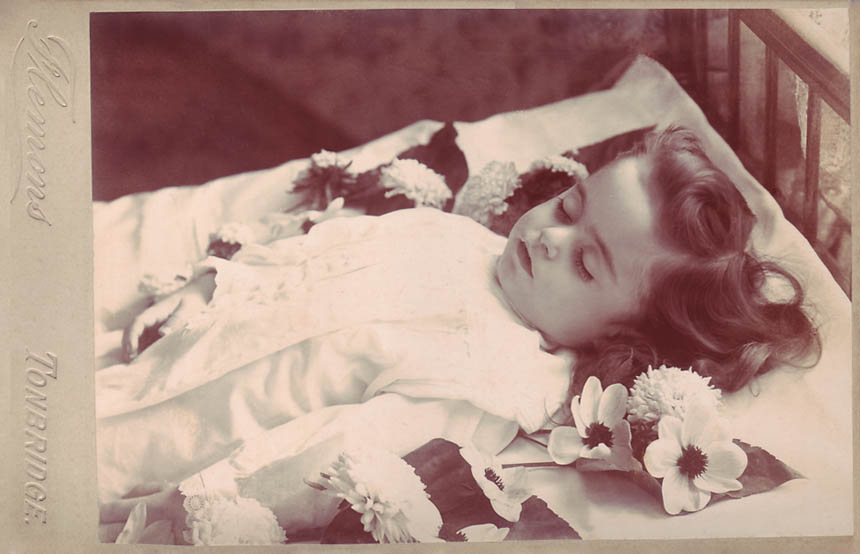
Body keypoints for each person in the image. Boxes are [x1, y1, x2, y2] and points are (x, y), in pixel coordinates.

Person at [97, 126, 819, 543]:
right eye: (568, 207)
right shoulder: (453, 234)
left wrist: (188, 503)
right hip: (166, 356)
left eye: (588, 262)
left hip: (179, 451)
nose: (549, 240)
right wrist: (214, 283)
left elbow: (334, 453)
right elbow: (315, 250)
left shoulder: (497, 377)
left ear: (620, 336)